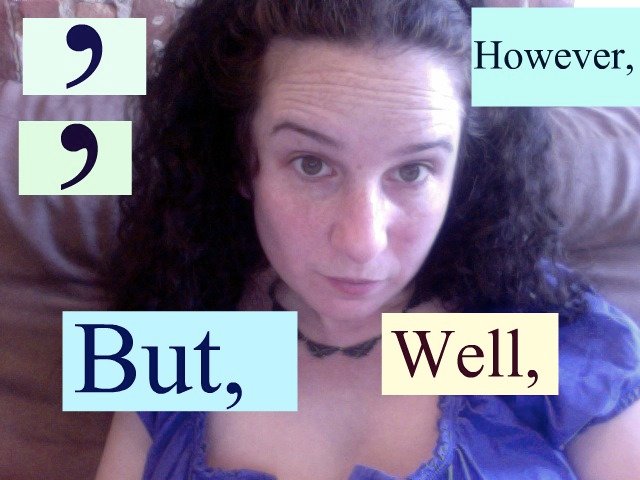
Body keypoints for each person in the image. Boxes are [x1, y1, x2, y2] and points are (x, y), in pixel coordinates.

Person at [95, 0, 640, 478]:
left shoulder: (542, 328)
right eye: (312, 164)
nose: (362, 242)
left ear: (465, 173)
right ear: (240, 159)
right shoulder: (179, 331)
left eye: (413, 171)